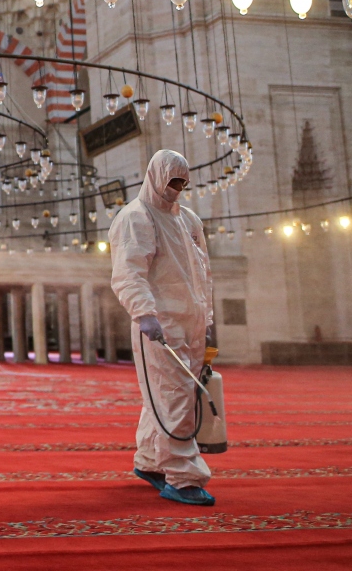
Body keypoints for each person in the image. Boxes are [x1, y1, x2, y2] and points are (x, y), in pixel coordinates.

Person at [108, 149, 216, 507]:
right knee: (175, 395)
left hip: (193, 324)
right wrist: (145, 313)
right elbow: (129, 273)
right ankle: (184, 478)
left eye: (183, 182)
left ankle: (150, 461)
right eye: (173, 181)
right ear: (156, 176)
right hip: (160, 325)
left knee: (169, 395)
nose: (177, 188)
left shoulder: (189, 221)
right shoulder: (135, 218)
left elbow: (202, 277)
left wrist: (208, 322)